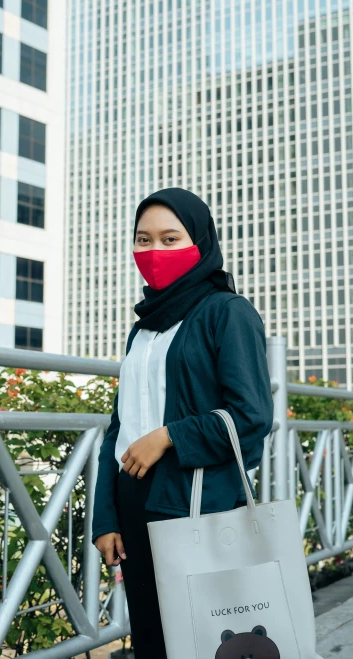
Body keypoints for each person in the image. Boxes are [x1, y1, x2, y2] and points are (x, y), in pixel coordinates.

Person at [92, 187, 273, 659]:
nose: (155, 252)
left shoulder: (227, 313)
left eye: (171, 239)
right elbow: (119, 426)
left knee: (204, 639)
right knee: (152, 638)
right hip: (134, 502)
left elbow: (252, 416)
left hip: (198, 504)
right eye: (143, 239)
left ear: (200, 242)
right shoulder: (143, 328)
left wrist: (170, 436)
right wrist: (105, 517)